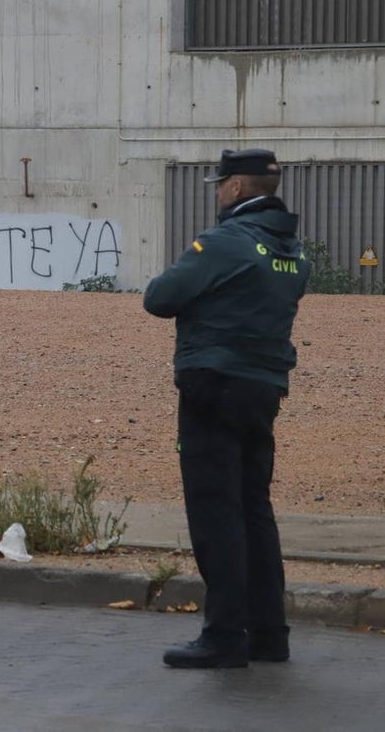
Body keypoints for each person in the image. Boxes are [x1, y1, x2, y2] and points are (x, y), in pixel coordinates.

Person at [143, 149, 310, 669]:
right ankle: (268, 633)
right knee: (254, 509)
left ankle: (223, 636)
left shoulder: (221, 244)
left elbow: (159, 297)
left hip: (212, 386)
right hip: (263, 388)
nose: (216, 193)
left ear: (237, 188)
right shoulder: (292, 251)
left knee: (217, 511)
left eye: (220, 185)